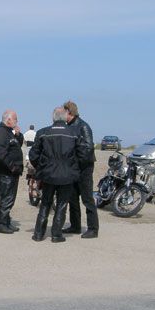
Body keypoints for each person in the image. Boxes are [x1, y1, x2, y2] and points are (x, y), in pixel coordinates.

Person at [29, 107, 85, 242]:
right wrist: (74, 169)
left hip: (48, 174)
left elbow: (33, 155)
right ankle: (56, 234)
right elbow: (82, 154)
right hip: (66, 175)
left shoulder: (43, 132)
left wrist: (41, 168)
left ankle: (38, 234)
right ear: (65, 117)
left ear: (53, 117)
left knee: (45, 204)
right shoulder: (74, 133)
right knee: (62, 204)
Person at [63, 100, 98, 239]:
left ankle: (93, 228)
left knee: (87, 198)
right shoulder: (70, 126)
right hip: (74, 169)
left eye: (64, 113)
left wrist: (76, 162)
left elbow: (88, 148)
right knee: (72, 198)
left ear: (70, 113)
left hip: (84, 168)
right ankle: (75, 225)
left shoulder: (83, 126)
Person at [0, 109, 24, 234]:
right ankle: (1, 224)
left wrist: (18, 135)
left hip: (12, 173)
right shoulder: (0, 133)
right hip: (6, 172)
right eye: (15, 119)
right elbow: (0, 154)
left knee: (10, 198)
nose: (17, 121)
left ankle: (6, 222)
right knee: (6, 198)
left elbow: (17, 145)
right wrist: (12, 166)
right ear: (8, 119)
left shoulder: (9, 132)